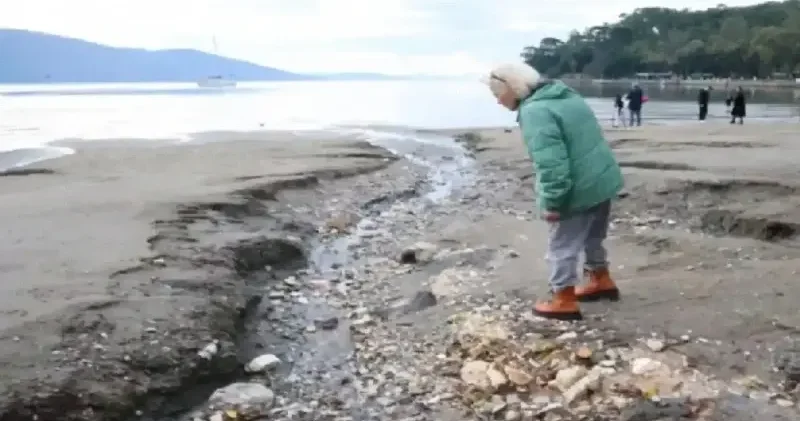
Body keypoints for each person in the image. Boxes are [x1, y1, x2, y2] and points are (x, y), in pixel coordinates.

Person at [484, 63, 624, 320]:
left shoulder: (535, 111)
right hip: (602, 179)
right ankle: (600, 279)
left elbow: (551, 164)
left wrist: (553, 203)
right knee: (593, 237)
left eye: (497, 95)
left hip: (579, 187)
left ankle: (564, 299)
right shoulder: (565, 95)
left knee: (562, 246)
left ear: (511, 88)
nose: (497, 101)